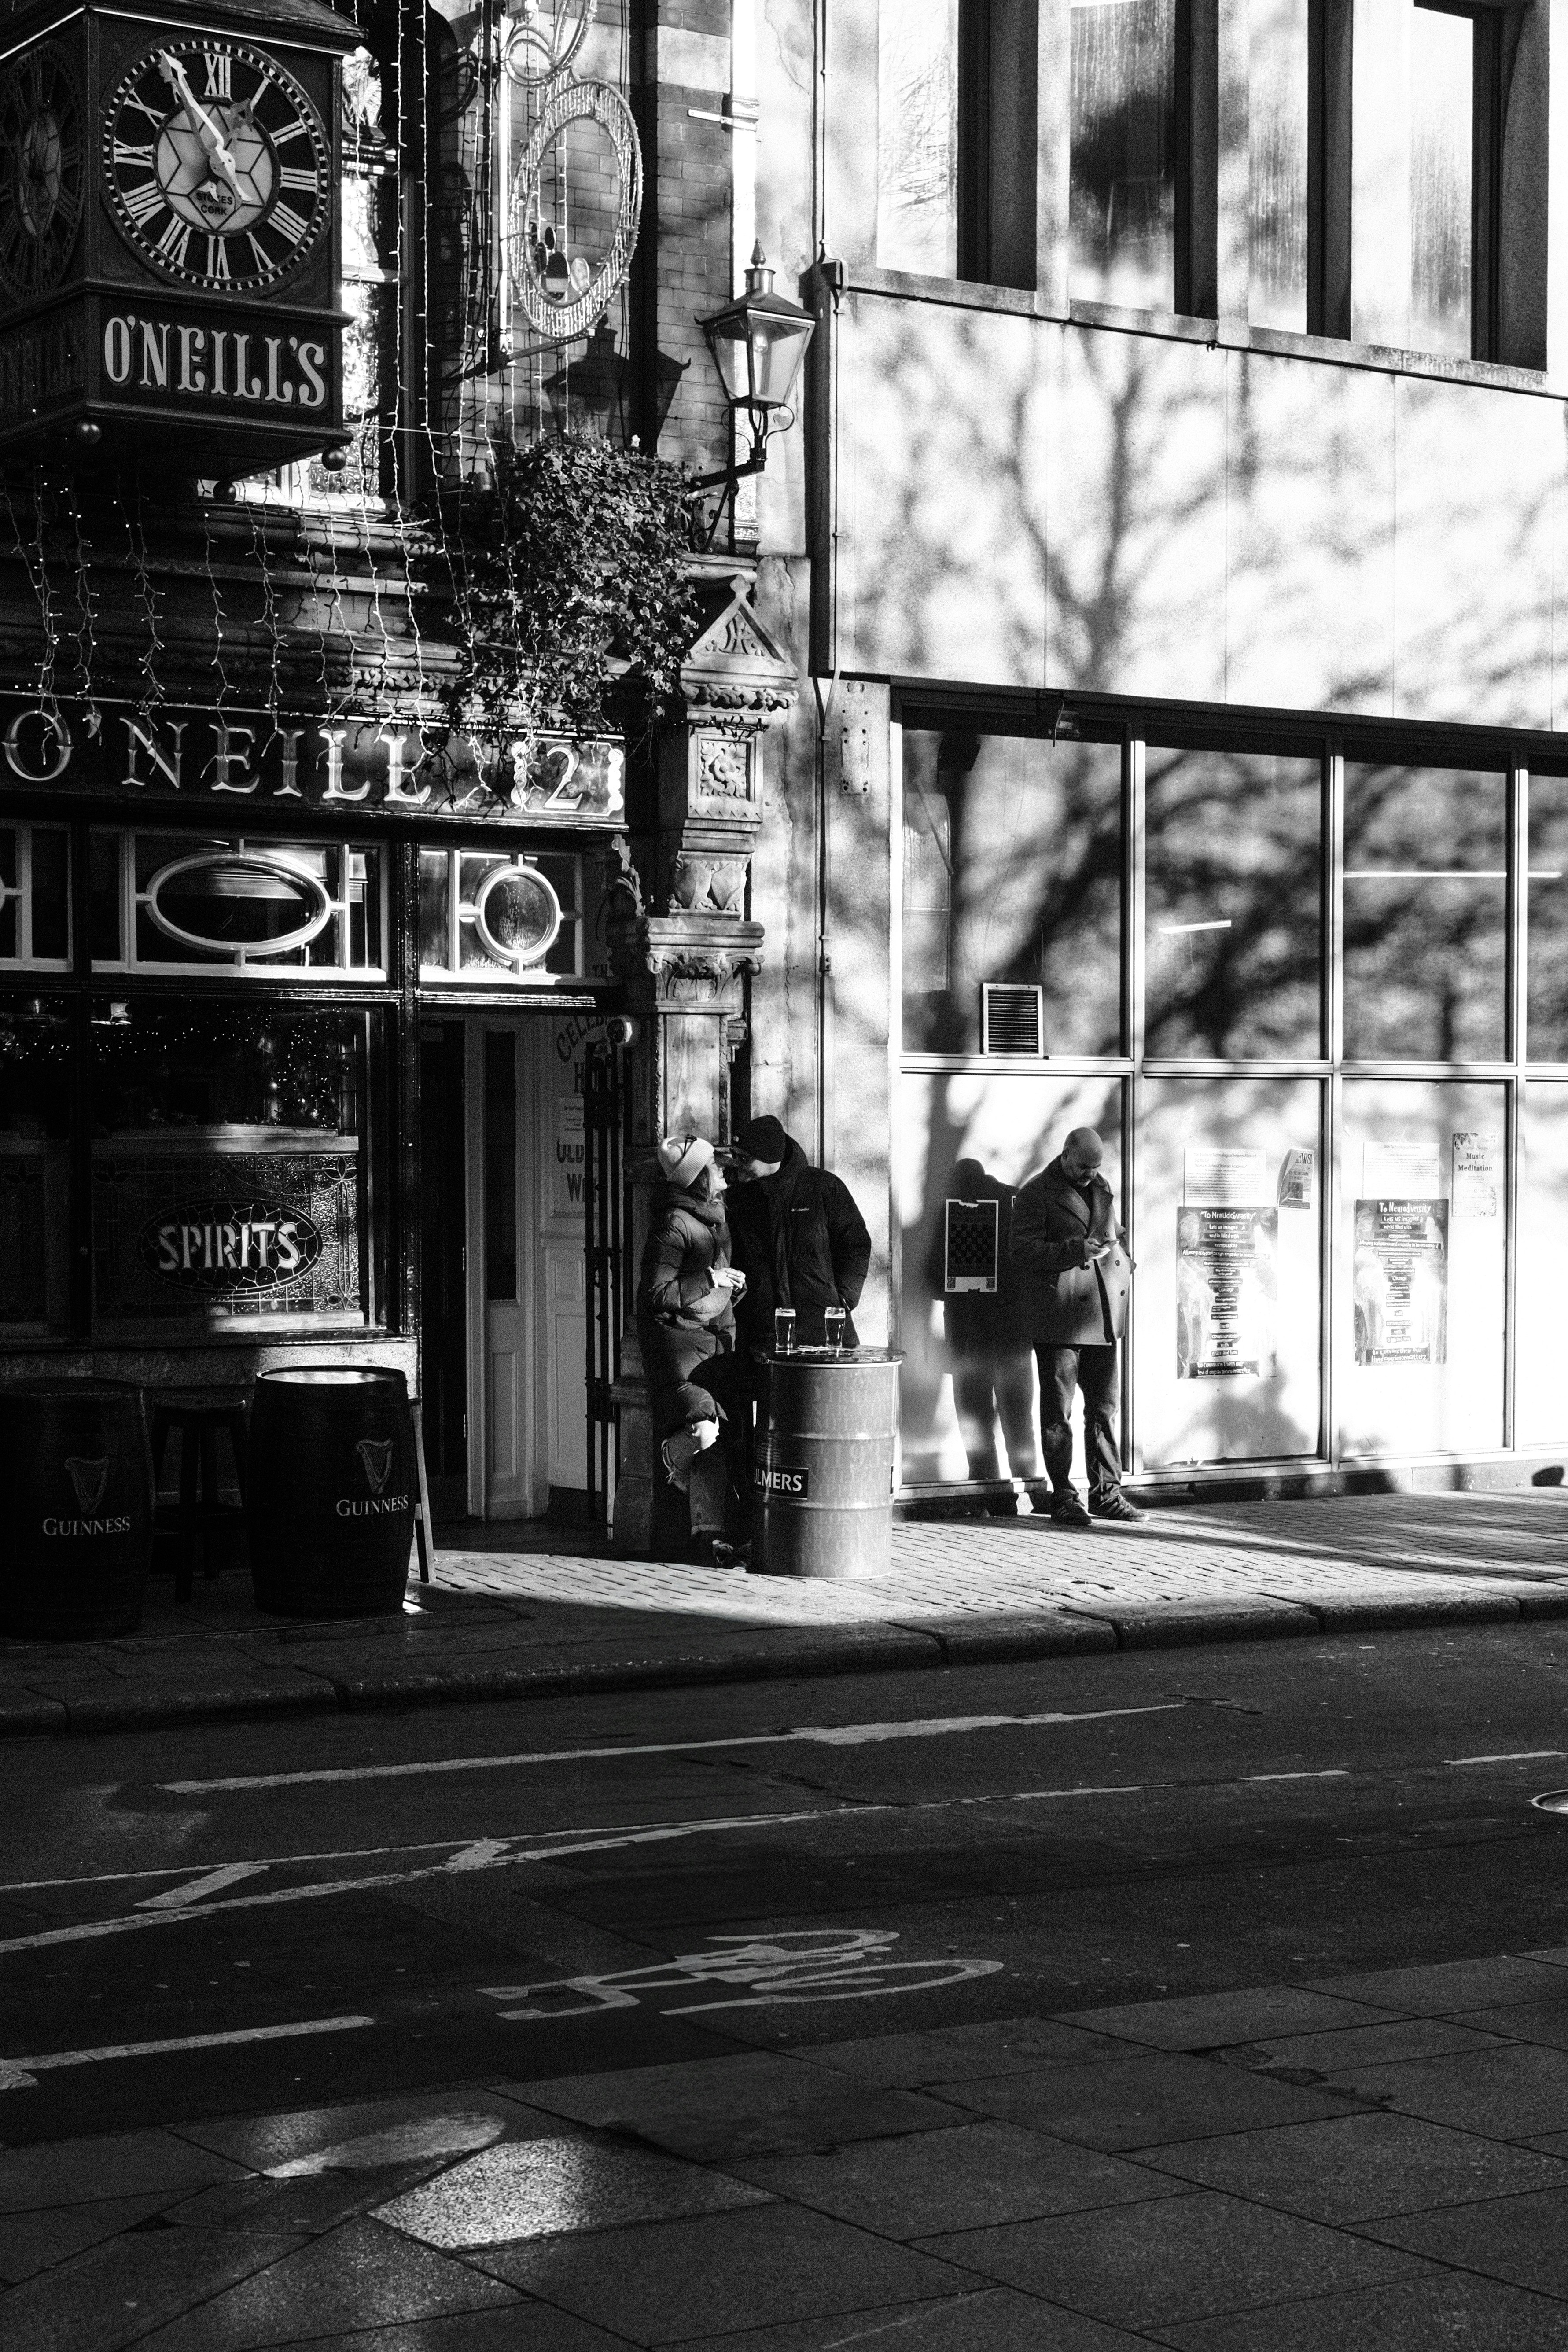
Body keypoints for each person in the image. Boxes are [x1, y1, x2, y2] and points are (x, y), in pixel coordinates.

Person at [1009, 1125, 1141, 1526]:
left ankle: (1107, 1492)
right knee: (1059, 1413)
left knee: (1104, 1409)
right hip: (1061, 1318)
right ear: (1066, 1154)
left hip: (1102, 1314)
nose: (1089, 1174)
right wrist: (1074, 1250)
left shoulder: (1100, 1185)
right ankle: (1064, 1496)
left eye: (1096, 1167)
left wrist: (1124, 1257)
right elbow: (1021, 1251)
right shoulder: (1036, 1193)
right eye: (1083, 1166)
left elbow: (1112, 1231)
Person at [635, 1133, 748, 1565]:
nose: (722, 1171)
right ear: (700, 1177)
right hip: (679, 1350)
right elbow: (656, 1293)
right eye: (715, 1166)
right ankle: (672, 1457)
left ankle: (710, 1538)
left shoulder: (714, 1219)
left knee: (718, 1440)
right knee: (704, 1428)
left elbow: (710, 1289)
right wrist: (712, 1281)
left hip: (716, 1344)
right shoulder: (674, 1225)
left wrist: (729, 1291)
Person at [924, 1157, 1041, 1509]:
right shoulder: (1016, 1206)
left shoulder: (950, 1212)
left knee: (976, 1424)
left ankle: (993, 1496)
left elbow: (933, 1278)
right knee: (1020, 1422)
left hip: (969, 1337)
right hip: (1012, 1337)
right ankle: (1036, 1493)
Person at [723, 1115, 872, 1353]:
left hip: (821, 1326)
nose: (737, 1164)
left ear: (770, 1158)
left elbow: (855, 1244)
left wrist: (844, 1298)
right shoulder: (737, 1198)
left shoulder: (822, 1187)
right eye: (735, 1156)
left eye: (745, 1158)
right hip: (760, 1329)